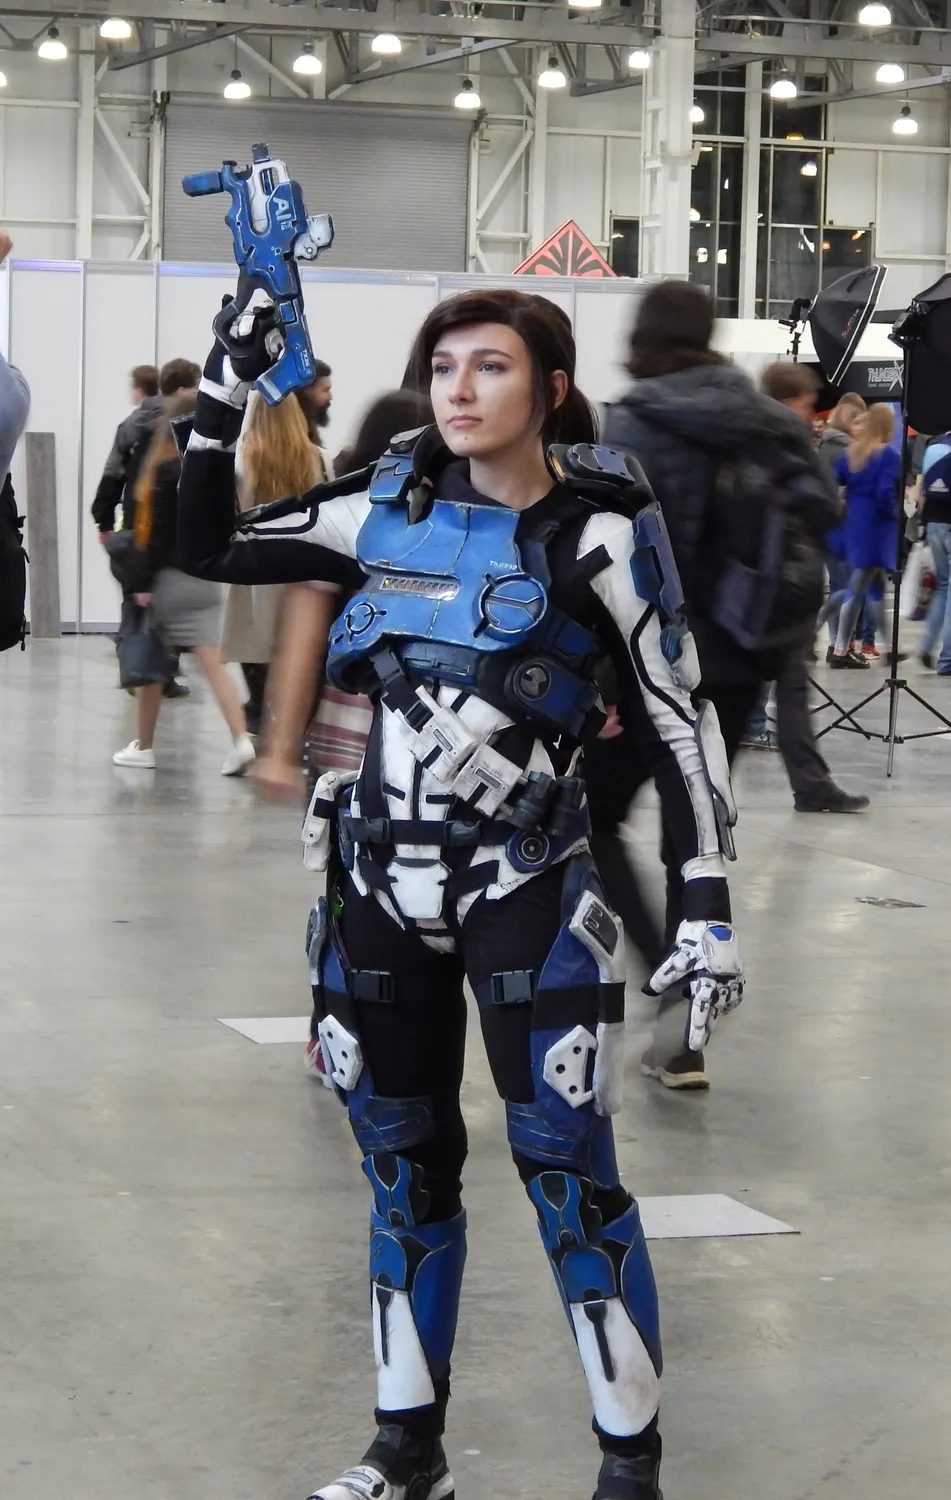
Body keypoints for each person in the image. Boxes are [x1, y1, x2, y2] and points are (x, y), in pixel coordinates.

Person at [178, 286, 747, 1500]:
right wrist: (224, 387)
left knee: (570, 1177)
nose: (459, 388)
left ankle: (629, 1470)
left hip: (525, 884)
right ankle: (406, 1453)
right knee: (403, 1171)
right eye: (443, 366)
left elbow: (680, 716)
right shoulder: (379, 507)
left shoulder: (601, 532)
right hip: (377, 883)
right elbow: (203, 543)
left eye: (491, 365)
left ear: (550, 388)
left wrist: (704, 903)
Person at [585, 287, 841, 1088]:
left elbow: (615, 554)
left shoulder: (633, 421)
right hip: (736, 657)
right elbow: (822, 514)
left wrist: (599, 676)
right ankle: (683, 1032)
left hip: (649, 661)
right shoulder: (767, 417)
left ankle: (661, 973)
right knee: (692, 839)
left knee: (592, 818)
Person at [112, 392, 254, 775]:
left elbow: (155, 535)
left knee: (150, 666)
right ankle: (241, 739)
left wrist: (140, 582)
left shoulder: (165, 470)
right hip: (207, 578)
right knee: (214, 665)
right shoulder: (219, 472)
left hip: (169, 581)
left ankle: (144, 746)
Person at [755, 364, 871, 817]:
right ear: (789, 402)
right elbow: (819, 507)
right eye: (805, 404)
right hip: (776, 584)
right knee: (772, 689)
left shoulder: (750, 439)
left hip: (769, 585)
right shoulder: (784, 444)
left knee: (789, 688)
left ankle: (811, 784)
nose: (809, 413)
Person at [220, 388, 328, 736]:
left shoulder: (242, 460)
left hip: (255, 570)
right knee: (296, 650)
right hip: (303, 567)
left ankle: (261, 718)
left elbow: (230, 515)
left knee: (255, 648)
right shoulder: (319, 458)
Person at [820, 403, 901, 668]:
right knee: (856, 588)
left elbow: (836, 482)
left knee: (874, 587)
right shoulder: (887, 455)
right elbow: (885, 492)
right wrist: (895, 515)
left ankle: (888, 648)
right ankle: (839, 647)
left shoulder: (852, 453)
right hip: (876, 528)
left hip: (856, 523)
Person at [915, 431, 951, 674]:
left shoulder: (935, 448)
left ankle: (927, 644)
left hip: (934, 524)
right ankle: (947, 659)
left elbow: (922, 491)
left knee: (942, 586)